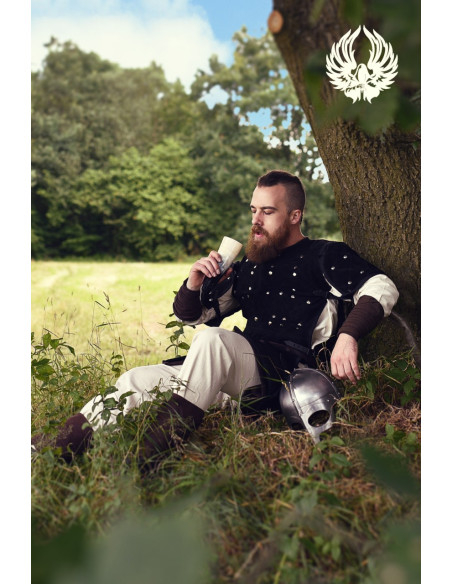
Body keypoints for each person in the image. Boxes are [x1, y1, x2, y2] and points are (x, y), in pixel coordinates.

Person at [32, 170, 399, 468]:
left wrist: (348, 336)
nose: (255, 221)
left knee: (212, 340)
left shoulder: (324, 255)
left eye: (267, 212)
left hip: (283, 376)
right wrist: (194, 282)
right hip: (231, 370)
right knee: (135, 379)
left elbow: (381, 286)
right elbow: (196, 316)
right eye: (253, 211)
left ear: (294, 216)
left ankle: (147, 459)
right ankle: (51, 449)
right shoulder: (251, 266)